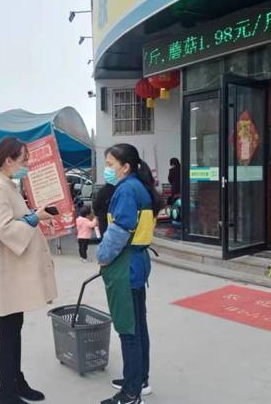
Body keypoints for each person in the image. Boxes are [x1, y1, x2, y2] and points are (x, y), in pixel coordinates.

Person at [0, 137, 57, 404]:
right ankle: (6, 392)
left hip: (12, 269)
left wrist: (34, 214)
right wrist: (35, 217)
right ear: (8, 160)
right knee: (8, 333)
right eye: (23, 160)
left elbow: (13, 219)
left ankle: (16, 382)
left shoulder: (5, 183)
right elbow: (5, 228)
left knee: (13, 330)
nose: (26, 164)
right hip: (5, 270)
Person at [97, 144, 161, 404]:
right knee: (138, 326)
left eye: (110, 164)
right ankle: (139, 379)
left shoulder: (125, 190)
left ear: (125, 167)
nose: (107, 169)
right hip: (138, 262)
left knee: (128, 329)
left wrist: (102, 257)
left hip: (126, 265)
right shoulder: (140, 187)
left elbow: (120, 230)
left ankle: (131, 393)